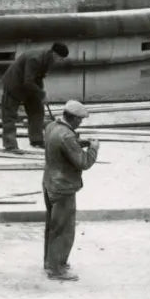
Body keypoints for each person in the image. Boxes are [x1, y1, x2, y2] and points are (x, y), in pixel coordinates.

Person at [42, 100, 99, 281]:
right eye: (79, 120)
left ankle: (50, 262)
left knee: (52, 226)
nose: (80, 123)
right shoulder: (67, 136)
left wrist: (78, 142)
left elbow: (61, 145)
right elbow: (84, 163)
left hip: (49, 182)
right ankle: (57, 269)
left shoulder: (52, 126)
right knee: (64, 229)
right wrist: (93, 149)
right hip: (63, 187)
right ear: (72, 118)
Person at [0, 43, 69, 151]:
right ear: (55, 54)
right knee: (9, 115)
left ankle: (36, 140)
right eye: (60, 59)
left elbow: (38, 78)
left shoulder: (48, 59)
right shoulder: (35, 59)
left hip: (29, 86)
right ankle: (10, 145)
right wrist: (42, 94)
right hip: (14, 84)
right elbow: (28, 81)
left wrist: (42, 94)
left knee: (37, 111)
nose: (60, 61)